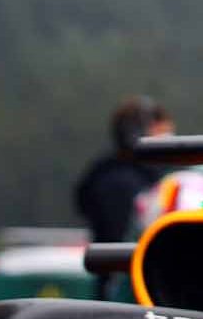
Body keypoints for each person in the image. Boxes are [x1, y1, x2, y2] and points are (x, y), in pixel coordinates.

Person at [74, 96, 173, 243]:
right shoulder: (119, 184)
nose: (169, 140)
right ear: (137, 134)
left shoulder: (121, 175)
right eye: (160, 132)